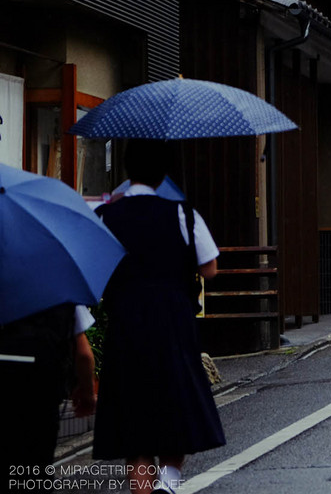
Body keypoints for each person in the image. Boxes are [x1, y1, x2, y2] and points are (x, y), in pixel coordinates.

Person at [94, 139, 225, 494]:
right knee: (176, 408)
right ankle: (168, 483)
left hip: (126, 326)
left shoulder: (106, 217)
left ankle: (145, 489)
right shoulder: (183, 214)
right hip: (174, 325)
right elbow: (210, 268)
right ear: (162, 174)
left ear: (126, 170)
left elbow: (95, 273)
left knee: (135, 426)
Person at [1, 304, 97, 485]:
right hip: (42, 394)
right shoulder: (62, 293)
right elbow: (83, 354)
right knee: (35, 470)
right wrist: (86, 391)